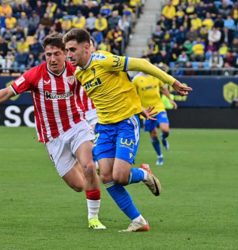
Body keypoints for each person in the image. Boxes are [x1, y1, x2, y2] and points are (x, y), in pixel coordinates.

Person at [0, 33, 106, 230]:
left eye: (57, 54)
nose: (52, 59)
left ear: (65, 53)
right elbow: (7, 92)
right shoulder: (35, 75)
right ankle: (95, 168)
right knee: (79, 185)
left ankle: (93, 218)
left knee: (87, 166)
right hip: (52, 137)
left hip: (77, 126)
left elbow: (104, 87)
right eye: (48, 55)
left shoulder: (76, 71)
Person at [63, 28, 192, 232]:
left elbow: (142, 64)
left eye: (72, 49)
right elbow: (114, 90)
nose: (68, 54)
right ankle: (138, 221)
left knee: (121, 176)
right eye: (66, 50)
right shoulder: (79, 73)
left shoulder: (104, 60)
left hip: (125, 124)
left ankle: (143, 174)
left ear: (86, 47)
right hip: (104, 127)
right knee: (105, 176)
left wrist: (172, 82)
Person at [133, 72, 178, 166]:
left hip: (159, 107)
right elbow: (133, 95)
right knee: (153, 135)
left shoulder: (155, 76)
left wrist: (170, 99)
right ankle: (160, 156)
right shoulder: (136, 79)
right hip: (147, 111)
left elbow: (163, 88)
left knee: (165, 130)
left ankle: (164, 138)